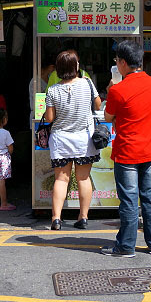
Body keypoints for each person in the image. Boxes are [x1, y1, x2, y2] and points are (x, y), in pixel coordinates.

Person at [102, 40, 151, 257]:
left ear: (123, 63)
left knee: (128, 200)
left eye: (117, 61)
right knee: (150, 197)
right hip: (150, 150)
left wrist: (111, 90)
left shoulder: (118, 90)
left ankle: (126, 246)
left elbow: (107, 117)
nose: (117, 65)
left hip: (127, 151)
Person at [44, 50, 102, 230]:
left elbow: (49, 118)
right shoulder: (87, 83)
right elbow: (98, 104)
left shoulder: (53, 90)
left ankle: (56, 219)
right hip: (83, 138)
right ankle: (83, 217)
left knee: (61, 179)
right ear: (76, 66)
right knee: (84, 178)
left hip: (61, 140)